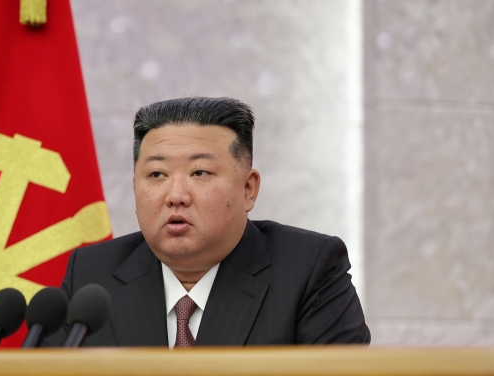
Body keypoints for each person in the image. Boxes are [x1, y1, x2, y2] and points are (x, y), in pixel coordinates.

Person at [44, 97, 370, 348]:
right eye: (156, 174)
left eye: (200, 172)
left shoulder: (308, 268)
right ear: (135, 188)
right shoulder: (91, 276)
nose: (176, 195)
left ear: (248, 189)